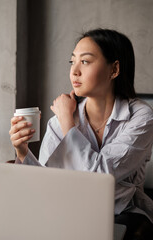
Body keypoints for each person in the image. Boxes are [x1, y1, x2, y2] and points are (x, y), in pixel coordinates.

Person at [9, 28, 153, 239]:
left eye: (85, 61)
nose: (74, 71)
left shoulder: (141, 116)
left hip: (117, 215)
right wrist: (22, 151)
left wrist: (68, 122)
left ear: (114, 69)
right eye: (72, 62)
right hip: (63, 210)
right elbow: (44, 183)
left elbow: (101, 176)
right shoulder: (61, 116)